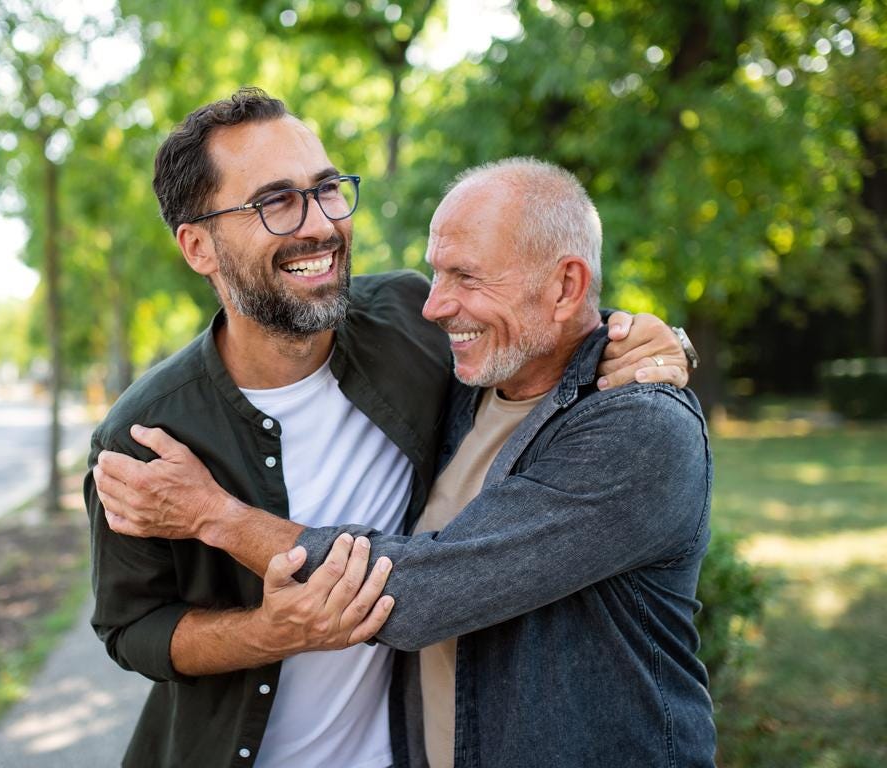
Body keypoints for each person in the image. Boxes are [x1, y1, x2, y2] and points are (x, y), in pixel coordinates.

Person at [86, 88, 693, 767]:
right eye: (276, 202)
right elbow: (133, 630)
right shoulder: (146, 435)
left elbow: (540, 323)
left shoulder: (412, 323)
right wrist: (268, 631)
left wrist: (652, 337)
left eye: (326, 190)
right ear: (198, 247)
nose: (318, 224)